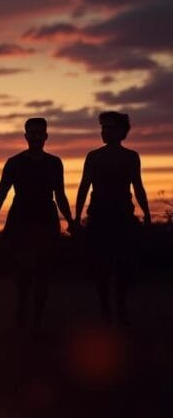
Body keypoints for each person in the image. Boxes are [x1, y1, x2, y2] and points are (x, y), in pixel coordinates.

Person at [0, 118, 74, 331]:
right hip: (20, 219)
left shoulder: (54, 163)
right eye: (31, 133)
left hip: (46, 219)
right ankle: (23, 306)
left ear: (46, 136)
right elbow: (1, 193)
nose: (35, 136)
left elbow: (60, 194)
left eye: (39, 133)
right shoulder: (14, 162)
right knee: (22, 271)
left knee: (43, 271)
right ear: (25, 136)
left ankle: (37, 317)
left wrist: (70, 220)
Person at [75, 111, 152, 325]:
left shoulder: (131, 157)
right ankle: (105, 305)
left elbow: (138, 186)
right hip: (99, 215)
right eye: (103, 127)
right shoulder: (94, 156)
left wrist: (146, 212)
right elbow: (84, 187)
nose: (104, 131)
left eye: (109, 127)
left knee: (124, 263)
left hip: (123, 215)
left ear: (121, 131)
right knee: (100, 264)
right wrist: (76, 216)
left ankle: (119, 302)